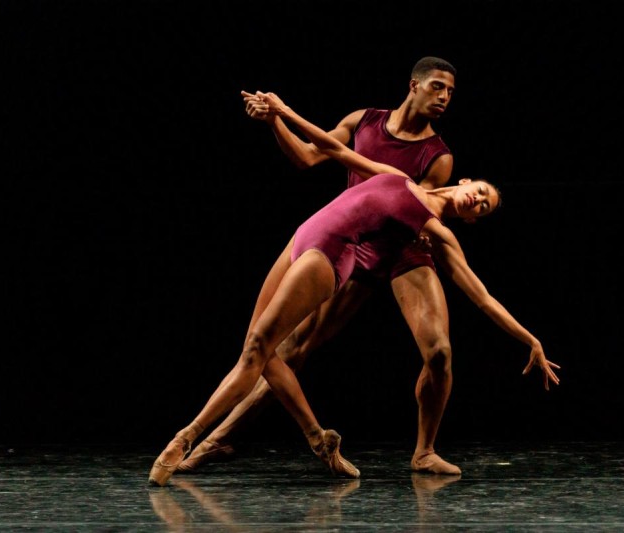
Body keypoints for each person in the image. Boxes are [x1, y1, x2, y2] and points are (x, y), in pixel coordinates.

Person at [148, 91, 560, 487]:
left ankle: (191, 439)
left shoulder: (437, 225)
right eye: (481, 192)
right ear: (469, 181)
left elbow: (483, 297)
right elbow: (333, 150)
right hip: (307, 234)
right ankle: (313, 437)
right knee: (270, 350)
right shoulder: (396, 171)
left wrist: (531, 340)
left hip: (342, 254)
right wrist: (281, 112)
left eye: (483, 207)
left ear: (473, 221)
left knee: (264, 346)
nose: (478, 200)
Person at [178, 56, 466, 475]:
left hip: (403, 252)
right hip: (357, 248)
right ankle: (219, 439)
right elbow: (309, 157)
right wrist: (274, 121)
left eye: (451, 92)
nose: (444, 97)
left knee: (439, 350)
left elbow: (417, 212)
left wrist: (284, 112)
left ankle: (424, 451)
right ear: (414, 85)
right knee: (290, 348)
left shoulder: (438, 155)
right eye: (438, 86)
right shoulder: (364, 121)